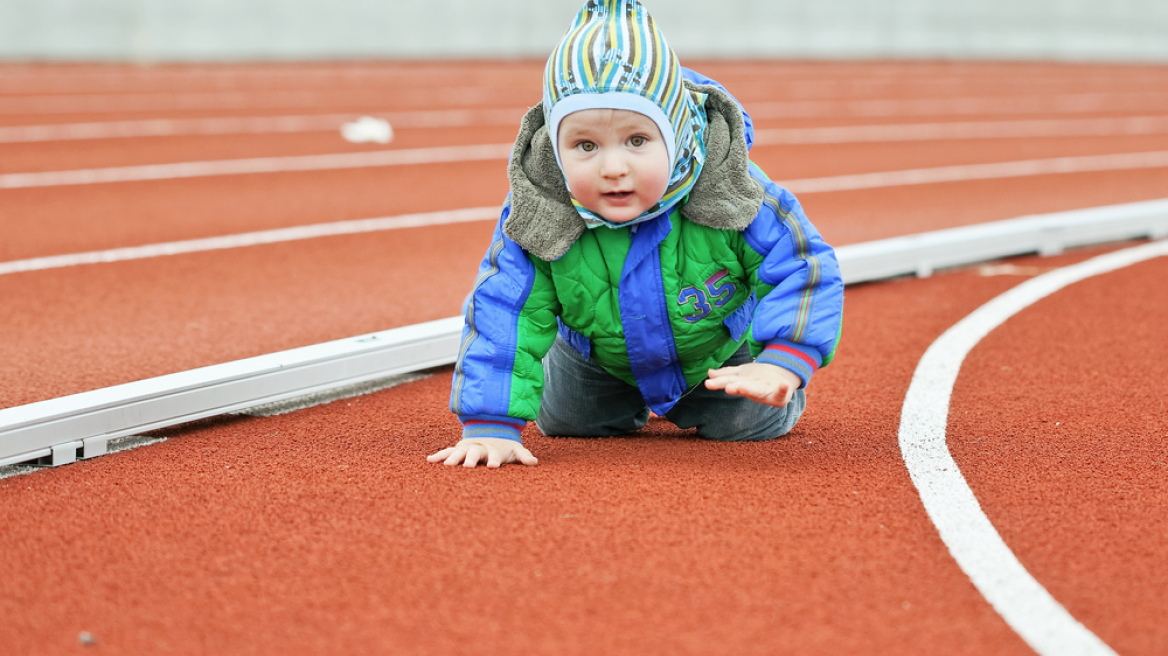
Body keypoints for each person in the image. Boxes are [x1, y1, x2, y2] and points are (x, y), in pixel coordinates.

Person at [427, 0, 843, 468]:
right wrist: (490, 424)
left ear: (678, 133)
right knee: (570, 423)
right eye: (585, 145)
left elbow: (803, 265)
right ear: (554, 147)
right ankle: (599, 389)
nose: (613, 168)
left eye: (638, 141)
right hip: (599, 355)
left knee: (746, 424)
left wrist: (783, 359)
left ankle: (753, 387)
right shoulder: (541, 208)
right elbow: (506, 307)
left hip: (714, 350)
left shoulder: (735, 191)